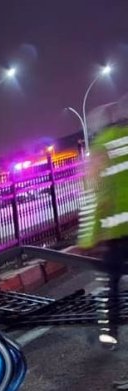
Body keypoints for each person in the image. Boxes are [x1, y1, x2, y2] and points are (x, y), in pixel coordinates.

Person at [78, 97, 128, 349]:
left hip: (117, 234)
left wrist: (88, 239)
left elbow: (97, 197)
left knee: (113, 286)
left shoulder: (101, 148)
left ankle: (111, 335)